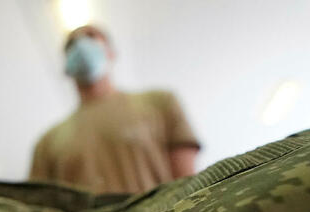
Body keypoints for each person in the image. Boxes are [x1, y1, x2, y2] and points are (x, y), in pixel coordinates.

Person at [30, 25, 200, 193]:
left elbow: (188, 185)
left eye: (90, 37)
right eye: (71, 43)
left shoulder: (160, 103)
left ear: (111, 52)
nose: (81, 44)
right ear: (66, 66)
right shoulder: (47, 143)